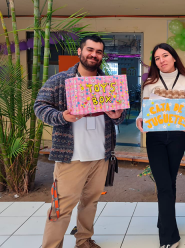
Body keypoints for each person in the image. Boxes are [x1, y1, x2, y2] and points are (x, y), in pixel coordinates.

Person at [34, 35, 126, 248]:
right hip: (71, 156)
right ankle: (51, 245)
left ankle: (84, 240)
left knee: (90, 202)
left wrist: (116, 116)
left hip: (101, 155)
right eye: (90, 50)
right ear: (80, 52)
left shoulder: (109, 83)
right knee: (61, 206)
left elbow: (120, 115)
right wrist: (62, 117)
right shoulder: (60, 80)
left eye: (99, 52)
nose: (94, 55)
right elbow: (40, 106)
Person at [136, 43, 185, 248]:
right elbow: (144, 110)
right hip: (155, 137)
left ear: (173, 57)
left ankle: (164, 220)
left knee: (169, 183)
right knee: (163, 184)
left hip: (178, 137)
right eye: (156, 58)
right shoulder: (150, 83)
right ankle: (170, 237)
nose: (161, 60)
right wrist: (140, 119)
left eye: (165, 55)